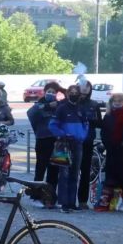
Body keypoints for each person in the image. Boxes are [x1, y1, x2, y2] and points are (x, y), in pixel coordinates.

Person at [48, 84, 89, 212]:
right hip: (64, 144)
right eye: (71, 91)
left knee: (75, 173)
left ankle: (72, 202)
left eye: (76, 91)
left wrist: (81, 136)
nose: (74, 94)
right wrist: (63, 134)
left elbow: (86, 125)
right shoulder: (61, 109)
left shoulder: (82, 109)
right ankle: (63, 203)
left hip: (77, 143)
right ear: (67, 94)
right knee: (64, 174)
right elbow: (52, 125)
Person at [27, 82, 63, 207]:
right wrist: (47, 105)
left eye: (54, 92)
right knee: (40, 169)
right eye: (49, 91)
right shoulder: (39, 104)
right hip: (42, 140)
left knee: (54, 171)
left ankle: (50, 198)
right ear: (44, 91)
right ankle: (36, 197)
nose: (51, 94)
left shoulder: (59, 105)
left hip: (56, 141)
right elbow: (31, 114)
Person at [98, 92, 123, 211]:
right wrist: (107, 144)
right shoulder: (108, 115)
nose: (117, 103)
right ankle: (112, 201)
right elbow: (104, 132)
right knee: (111, 175)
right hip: (111, 150)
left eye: (120, 101)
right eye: (115, 101)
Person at [75, 80, 105, 209]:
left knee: (85, 171)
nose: (85, 89)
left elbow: (100, 123)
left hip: (87, 140)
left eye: (87, 86)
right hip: (73, 140)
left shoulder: (94, 104)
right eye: (82, 86)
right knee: (70, 171)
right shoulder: (73, 102)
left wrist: (92, 120)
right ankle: (67, 200)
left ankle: (82, 201)